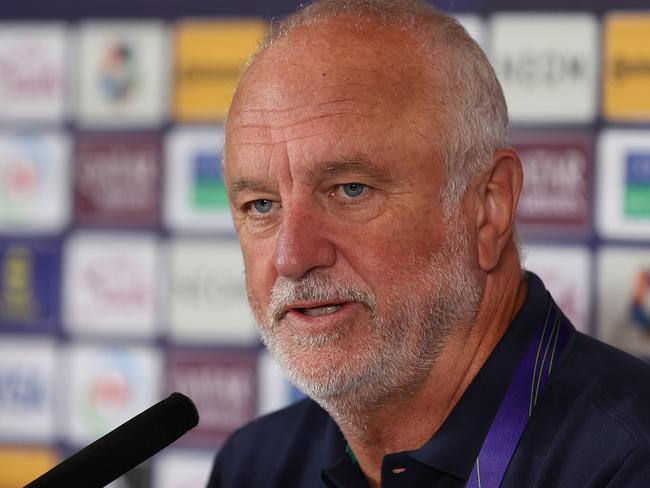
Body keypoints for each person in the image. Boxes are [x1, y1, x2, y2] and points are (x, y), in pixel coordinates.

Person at [208, 1, 650, 486]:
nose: (291, 257)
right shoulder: (252, 466)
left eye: (350, 190)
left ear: (489, 205)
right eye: (261, 205)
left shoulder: (628, 460)